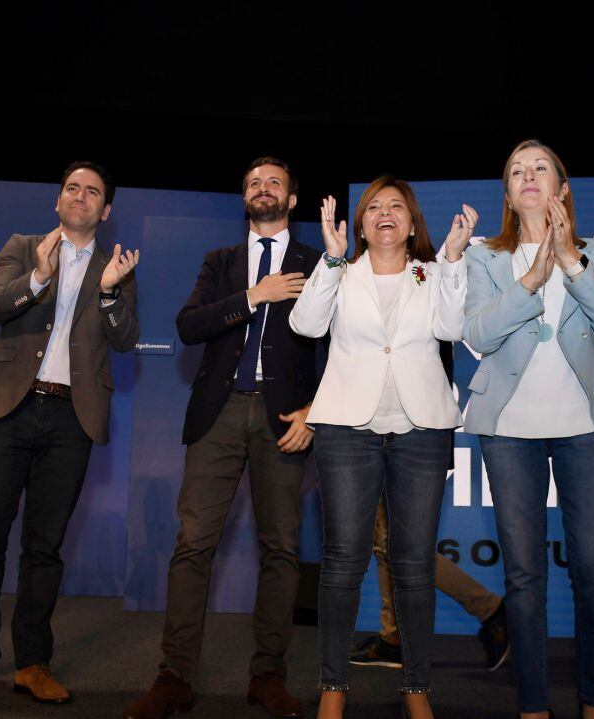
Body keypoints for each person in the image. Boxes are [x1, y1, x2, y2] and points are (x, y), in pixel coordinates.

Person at [124, 157, 321, 719]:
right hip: (218, 414)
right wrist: (254, 296)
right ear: (244, 199)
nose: (263, 189)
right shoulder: (222, 262)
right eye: (254, 183)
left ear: (292, 198)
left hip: (286, 419)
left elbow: (341, 344)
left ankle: (268, 675)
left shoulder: (318, 262)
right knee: (193, 546)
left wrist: (317, 411)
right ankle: (174, 676)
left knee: (281, 549)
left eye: (274, 182)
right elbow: (190, 326)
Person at [0, 161, 139, 704]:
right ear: (58, 200)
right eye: (72, 188)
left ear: (106, 209)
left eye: (93, 191)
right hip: (7, 408)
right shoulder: (23, 246)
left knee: (44, 546)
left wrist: (113, 293)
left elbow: (124, 340)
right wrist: (40, 278)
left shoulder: (115, 264)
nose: (81, 196)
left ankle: (32, 660)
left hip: (72, 417)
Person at [290, 179, 476, 719]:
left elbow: (453, 326)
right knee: (344, 560)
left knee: (413, 563)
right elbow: (305, 324)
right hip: (349, 426)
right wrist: (329, 260)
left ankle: (416, 689)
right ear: (361, 224)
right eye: (374, 207)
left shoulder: (437, 273)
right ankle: (333, 685)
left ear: (413, 224)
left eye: (397, 206)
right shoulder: (340, 274)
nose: (385, 213)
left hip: (422, 429)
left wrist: (456, 260)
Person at [463, 140, 594, 719]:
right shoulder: (484, 257)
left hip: (585, 427)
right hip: (509, 431)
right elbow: (479, 335)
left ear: (561, 188)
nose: (528, 177)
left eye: (540, 169)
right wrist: (530, 280)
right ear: (508, 195)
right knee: (524, 574)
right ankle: (533, 704)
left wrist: (566, 262)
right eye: (516, 171)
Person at [349, 498, 509, 672]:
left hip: (391, 471)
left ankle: (490, 610)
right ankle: (393, 639)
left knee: (399, 547)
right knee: (391, 546)